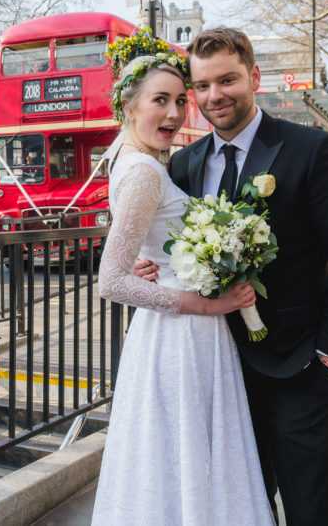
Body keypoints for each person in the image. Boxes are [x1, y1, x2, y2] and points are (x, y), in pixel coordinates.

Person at [143, 28, 328, 525]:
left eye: (227, 80)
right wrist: (151, 269)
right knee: (232, 512)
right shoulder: (183, 164)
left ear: (254, 77)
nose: (215, 96)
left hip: (299, 369)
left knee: (310, 510)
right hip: (213, 370)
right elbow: (174, 253)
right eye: (203, 86)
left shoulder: (314, 150)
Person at [92, 42, 272, 524]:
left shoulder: (136, 163)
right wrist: (209, 306)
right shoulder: (146, 172)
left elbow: (134, 252)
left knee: (170, 457)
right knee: (190, 452)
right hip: (182, 334)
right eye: (159, 101)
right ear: (129, 107)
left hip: (169, 335)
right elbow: (110, 282)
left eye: (179, 100)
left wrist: (145, 263)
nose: (173, 113)